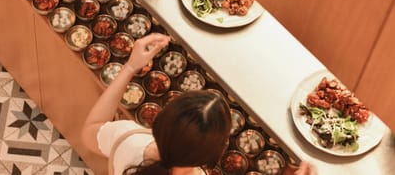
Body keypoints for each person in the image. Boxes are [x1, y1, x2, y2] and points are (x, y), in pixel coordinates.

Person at [81, 33, 318, 175]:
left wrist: (131, 66)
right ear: (213, 155)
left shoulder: (128, 139)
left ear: (162, 121)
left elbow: (92, 129)